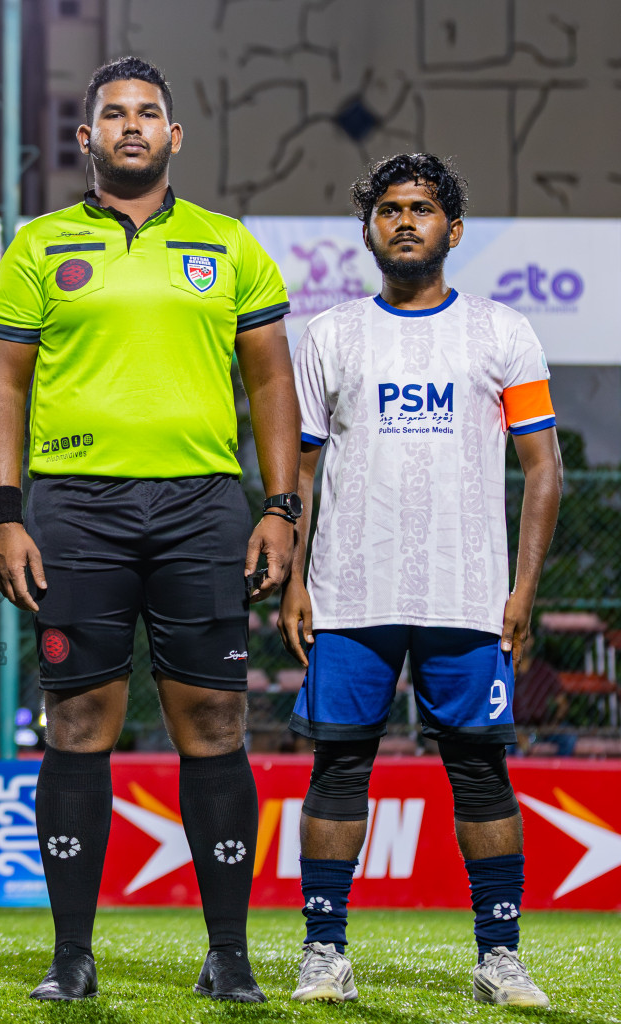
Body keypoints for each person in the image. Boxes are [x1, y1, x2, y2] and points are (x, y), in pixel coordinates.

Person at [0, 57, 300, 1003]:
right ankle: (72, 954)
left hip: (202, 505)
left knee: (215, 719)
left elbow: (271, 381)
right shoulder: (38, 248)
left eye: (147, 113)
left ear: (174, 136)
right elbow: (4, 384)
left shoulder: (228, 244)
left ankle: (228, 955)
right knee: (79, 719)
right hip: (75, 504)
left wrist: (279, 505)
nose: (130, 126)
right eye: (112, 115)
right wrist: (3, 513)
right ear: (84, 139)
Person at [280, 154, 562, 1008]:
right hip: (350, 595)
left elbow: (543, 470)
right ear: (369, 229)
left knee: (480, 773)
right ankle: (324, 952)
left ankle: (499, 956)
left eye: (424, 209)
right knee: (338, 770)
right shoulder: (328, 335)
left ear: (454, 229)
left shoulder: (502, 330)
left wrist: (522, 590)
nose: (406, 221)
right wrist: (294, 579)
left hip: (468, 596)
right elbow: (296, 471)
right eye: (391, 209)